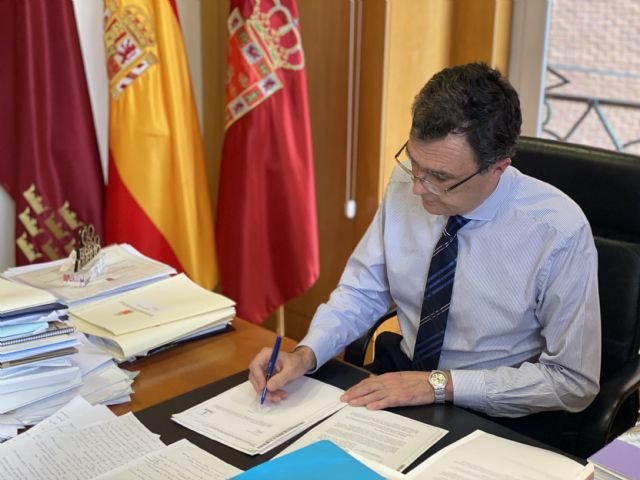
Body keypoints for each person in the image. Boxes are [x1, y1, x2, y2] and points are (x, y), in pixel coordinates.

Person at [248, 62, 601, 419]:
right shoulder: (408, 183)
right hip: (402, 374)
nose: (417, 187)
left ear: (498, 168)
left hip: (490, 405)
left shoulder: (558, 232)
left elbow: (574, 382)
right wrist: (305, 354)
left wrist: (438, 385)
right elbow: (362, 291)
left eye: (440, 177)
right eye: (413, 163)